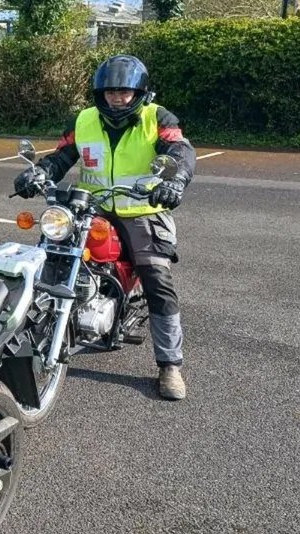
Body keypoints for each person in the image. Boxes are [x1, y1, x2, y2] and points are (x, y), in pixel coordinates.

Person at [13, 55, 196, 400]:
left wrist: (177, 180)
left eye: (125, 92)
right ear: (101, 93)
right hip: (91, 207)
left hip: (141, 209)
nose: (117, 98)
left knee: (156, 277)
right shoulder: (84, 120)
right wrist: (40, 172)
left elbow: (179, 151)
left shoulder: (157, 118)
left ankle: (170, 365)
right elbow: (62, 155)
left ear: (139, 92)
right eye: (111, 91)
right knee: (49, 256)